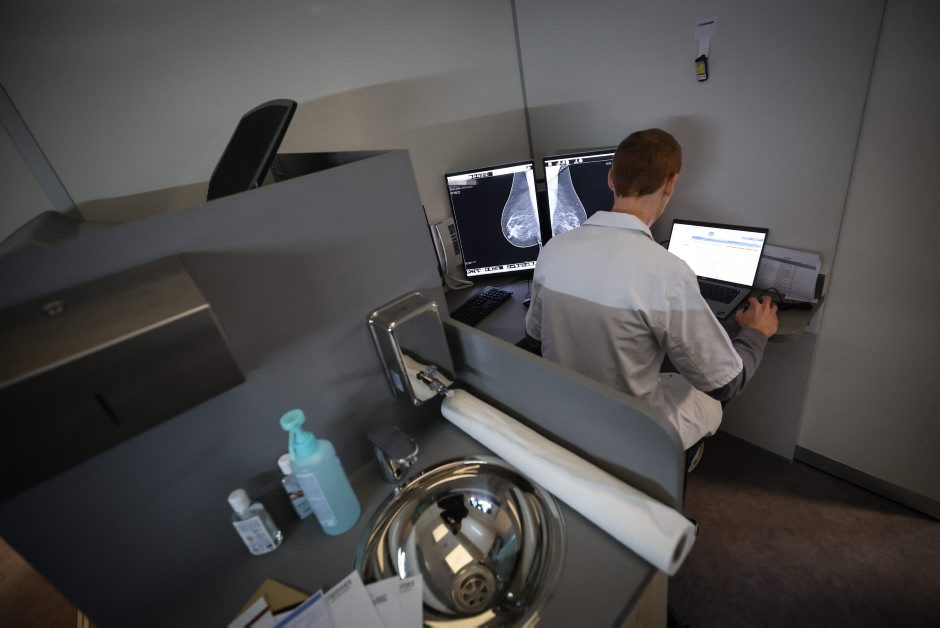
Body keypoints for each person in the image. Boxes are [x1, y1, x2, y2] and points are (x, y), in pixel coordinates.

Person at [524, 128, 778, 450]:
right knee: (708, 401)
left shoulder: (553, 250)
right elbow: (726, 383)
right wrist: (756, 333)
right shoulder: (667, 272)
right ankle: (668, 466)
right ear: (671, 183)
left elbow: (535, 337)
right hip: (629, 432)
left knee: (668, 378)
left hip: (566, 414)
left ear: (611, 178)